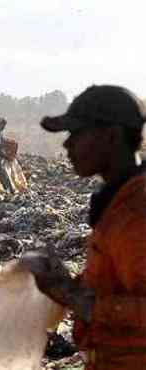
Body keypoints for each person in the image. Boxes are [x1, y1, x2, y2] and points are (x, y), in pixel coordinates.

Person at [22, 85, 146, 370]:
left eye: (77, 133)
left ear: (112, 136)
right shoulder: (117, 201)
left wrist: (71, 293)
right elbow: (115, 290)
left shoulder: (137, 210)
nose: (67, 145)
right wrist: (59, 283)